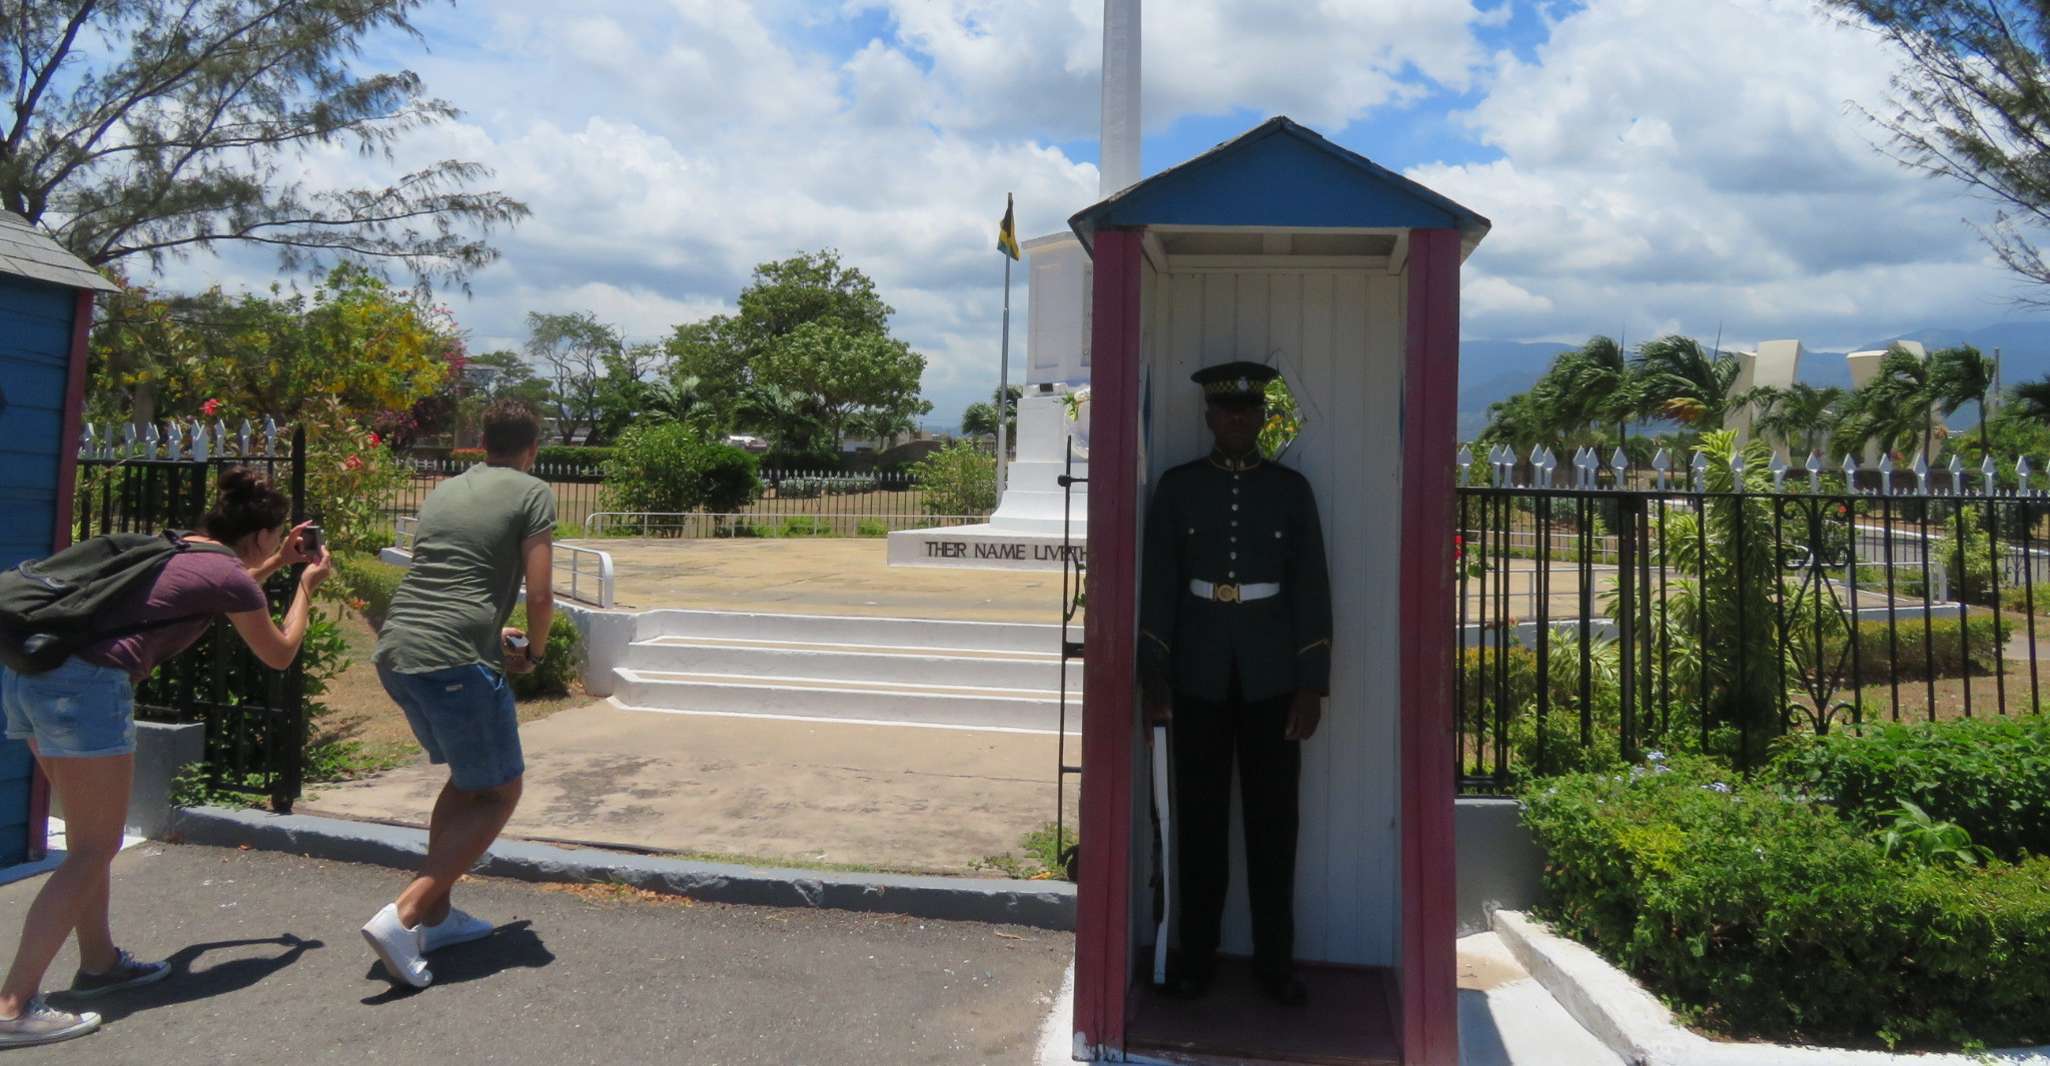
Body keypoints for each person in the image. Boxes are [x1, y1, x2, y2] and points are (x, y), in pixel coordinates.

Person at [0, 467, 329, 1048]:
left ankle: (99, 964)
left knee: (88, 842)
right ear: (258, 535)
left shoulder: (180, 547)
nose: (279, 545)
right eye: (276, 538)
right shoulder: (228, 576)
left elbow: (226, 588)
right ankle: (12, 1006)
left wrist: (278, 563)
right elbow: (278, 652)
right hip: (85, 689)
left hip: (32, 674)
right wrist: (305, 585)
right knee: (95, 848)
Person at [1138, 360, 1332, 1008]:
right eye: (1227, 409)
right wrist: (1154, 673)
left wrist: (1311, 684)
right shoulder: (1179, 488)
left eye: (1249, 409)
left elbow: (1311, 589)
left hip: (1274, 680)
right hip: (1196, 677)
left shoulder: (1291, 491)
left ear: (1263, 416)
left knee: (1275, 827)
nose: (1238, 419)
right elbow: (1160, 585)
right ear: (1209, 416)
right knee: (1199, 825)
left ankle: (1276, 965)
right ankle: (1196, 959)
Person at [361, 398, 554, 989]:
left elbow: (448, 577)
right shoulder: (532, 491)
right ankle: (404, 915)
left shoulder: (445, 490)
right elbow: (542, 594)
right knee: (501, 791)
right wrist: (536, 654)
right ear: (532, 448)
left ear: (482, 442)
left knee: (469, 782)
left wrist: (494, 631)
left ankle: (438, 917)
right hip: (454, 659)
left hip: (399, 651)